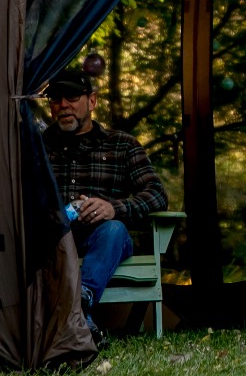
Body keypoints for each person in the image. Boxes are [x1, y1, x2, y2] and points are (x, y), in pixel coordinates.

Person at [41, 69, 167, 333]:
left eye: (73, 97)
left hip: (104, 242)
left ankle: (79, 302)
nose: (63, 105)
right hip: (50, 241)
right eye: (55, 99)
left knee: (114, 228)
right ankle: (80, 319)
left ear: (93, 101)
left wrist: (113, 208)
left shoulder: (122, 145)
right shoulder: (37, 148)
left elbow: (157, 194)